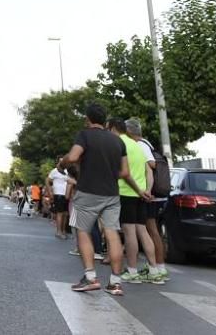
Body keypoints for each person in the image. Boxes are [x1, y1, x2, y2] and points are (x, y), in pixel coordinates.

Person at [63, 103, 145, 296]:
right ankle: (115, 283)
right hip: (112, 194)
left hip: (88, 191)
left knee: (83, 232)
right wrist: (108, 174)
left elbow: (74, 156)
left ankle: (91, 278)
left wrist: (63, 162)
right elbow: (125, 172)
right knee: (113, 234)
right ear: (105, 120)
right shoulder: (118, 141)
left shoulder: (84, 135)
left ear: (88, 119)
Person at [108, 118, 165, 285]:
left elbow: (124, 173)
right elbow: (149, 170)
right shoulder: (138, 145)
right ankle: (154, 270)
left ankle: (132, 271)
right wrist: (146, 190)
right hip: (141, 194)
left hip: (127, 192)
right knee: (143, 231)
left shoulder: (119, 143)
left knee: (129, 232)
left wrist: (138, 190)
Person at [126, 118, 169, 280]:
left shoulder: (141, 145)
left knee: (151, 230)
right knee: (152, 230)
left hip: (150, 194)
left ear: (129, 132)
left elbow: (151, 164)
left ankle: (158, 267)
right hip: (152, 193)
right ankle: (157, 266)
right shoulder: (146, 144)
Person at [47, 160, 73, 238]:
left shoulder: (67, 171)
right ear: (57, 163)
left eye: (63, 161)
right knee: (60, 213)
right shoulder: (54, 171)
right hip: (58, 194)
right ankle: (58, 232)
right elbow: (47, 181)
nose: (62, 163)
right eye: (60, 161)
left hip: (67, 195)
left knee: (65, 214)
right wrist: (50, 192)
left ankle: (63, 231)